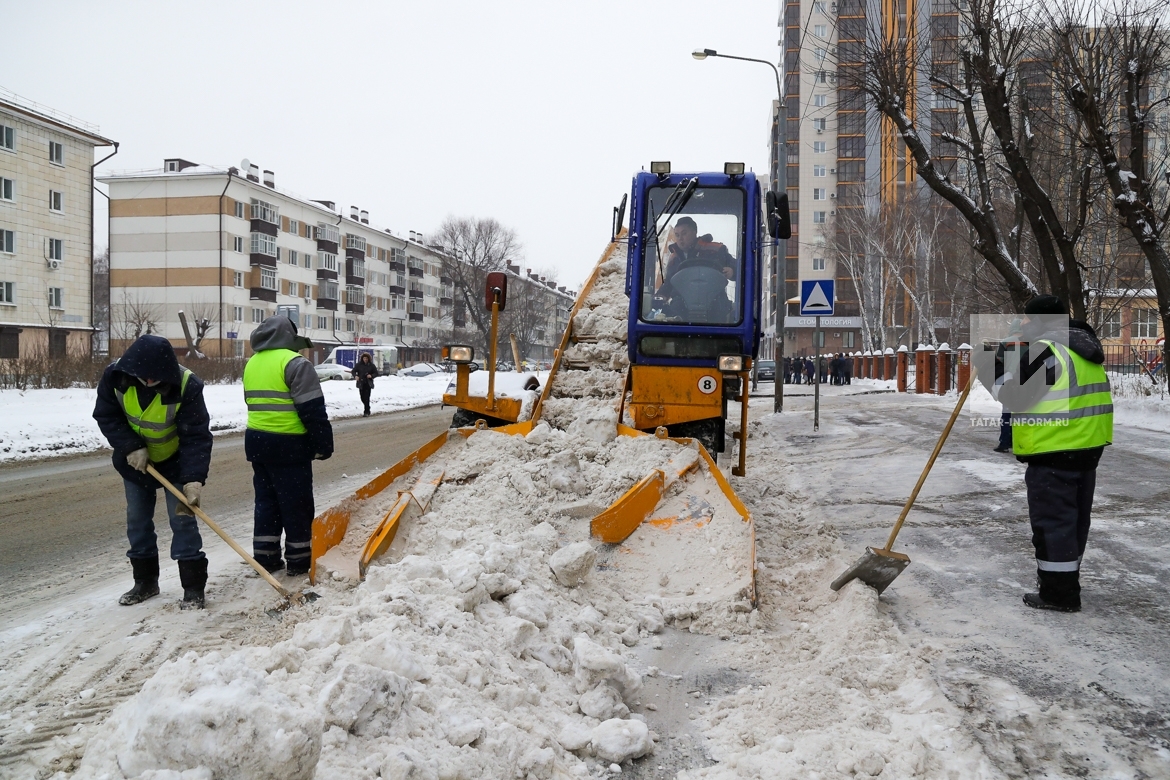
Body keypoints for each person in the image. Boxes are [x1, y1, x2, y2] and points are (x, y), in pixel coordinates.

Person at [983, 295, 1113, 612]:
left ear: (1040, 321)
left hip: (1054, 449)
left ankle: (1059, 595)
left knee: (1053, 523)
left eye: (1027, 319)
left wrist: (991, 369)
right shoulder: (1083, 349)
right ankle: (1065, 583)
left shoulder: (1049, 351)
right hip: (1085, 449)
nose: (1022, 324)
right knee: (1073, 521)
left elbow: (1016, 397)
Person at [93, 335, 213, 609]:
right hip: (136, 464)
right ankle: (145, 583)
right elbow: (107, 415)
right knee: (137, 522)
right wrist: (130, 447)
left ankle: (193, 588)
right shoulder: (116, 377)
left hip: (176, 464)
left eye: (154, 377)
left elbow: (196, 437)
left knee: (183, 520)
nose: (148, 382)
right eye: (143, 376)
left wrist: (193, 480)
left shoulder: (187, 386)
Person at [244, 315, 334, 577]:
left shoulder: (252, 363)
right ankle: (299, 560)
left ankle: (266, 557)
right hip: (290, 444)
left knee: (266, 503)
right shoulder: (295, 363)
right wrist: (323, 444)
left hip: (258, 443)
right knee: (297, 505)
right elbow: (312, 409)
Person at [352, 352, 379, 417]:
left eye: (366, 358)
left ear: (368, 359)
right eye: (364, 358)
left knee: (367, 397)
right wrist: (355, 376)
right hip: (361, 383)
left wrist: (371, 375)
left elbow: (376, 373)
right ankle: (367, 407)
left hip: (368, 383)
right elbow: (353, 371)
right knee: (362, 397)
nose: (365, 359)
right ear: (362, 358)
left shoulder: (371, 365)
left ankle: (366, 411)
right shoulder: (359, 365)